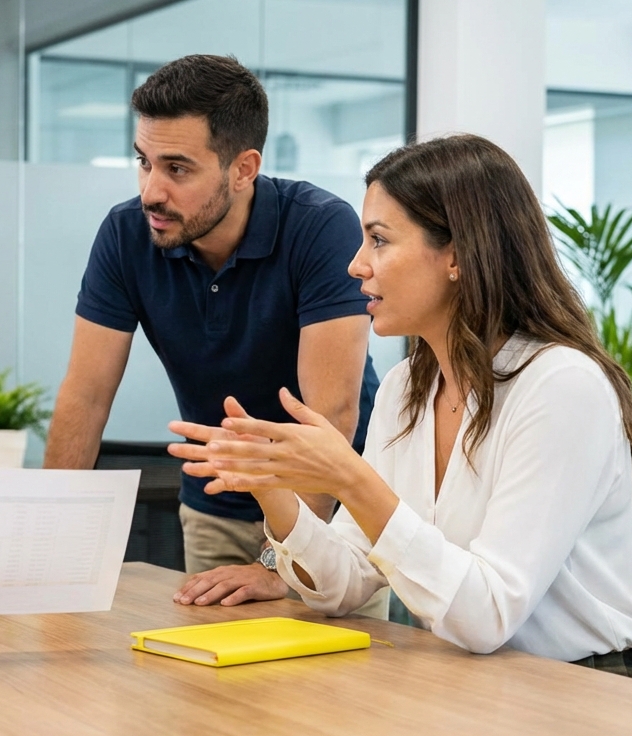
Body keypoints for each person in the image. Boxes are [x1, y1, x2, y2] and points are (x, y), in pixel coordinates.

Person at [171, 134, 632, 679]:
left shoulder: (560, 385)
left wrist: (351, 479)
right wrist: (274, 490)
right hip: (479, 686)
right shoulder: (408, 387)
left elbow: (487, 615)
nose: (356, 265)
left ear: (456, 255)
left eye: (378, 240)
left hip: (591, 693)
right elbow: (345, 585)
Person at [43, 54, 380, 593]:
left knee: (331, 674)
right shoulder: (127, 233)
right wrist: (47, 539)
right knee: (208, 671)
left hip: (332, 515)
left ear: (243, 169)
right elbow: (84, 396)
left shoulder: (320, 227)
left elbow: (331, 413)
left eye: (177, 169)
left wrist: (281, 562)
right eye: (144, 162)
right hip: (214, 506)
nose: (152, 190)